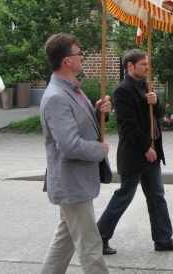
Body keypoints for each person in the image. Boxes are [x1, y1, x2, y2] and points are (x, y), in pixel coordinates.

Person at [97, 49, 173, 255]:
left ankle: (163, 238)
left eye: (147, 64)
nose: (147, 67)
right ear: (130, 66)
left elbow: (158, 116)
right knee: (124, 196)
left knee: (157, 196)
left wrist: (156, 103)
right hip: (135, 154)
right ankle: (99, 237)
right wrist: (146, 148)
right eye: (143, 64)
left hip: (152, 153)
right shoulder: (123, 90)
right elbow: (128, 125)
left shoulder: (147, 87)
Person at [39, 33, 111, 274]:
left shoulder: (72, 90)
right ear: (67, 61)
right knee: (90, 244)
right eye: (79, 53)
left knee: (65, 240)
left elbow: (83, 124)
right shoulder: (56, 97)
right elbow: (69, 145)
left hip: (77, 181)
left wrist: (100, 111)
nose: (83, 57)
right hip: (72, 183)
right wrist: (99, 150)